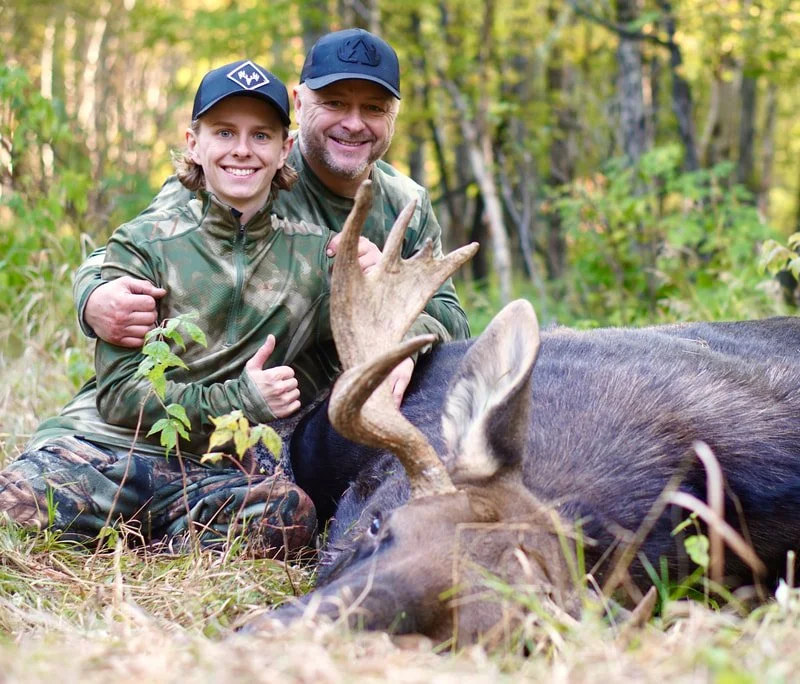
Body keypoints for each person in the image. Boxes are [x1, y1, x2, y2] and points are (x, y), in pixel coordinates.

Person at [0, 60, 342, 555]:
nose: (242, 150)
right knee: (15, 509)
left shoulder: (317, 256)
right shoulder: (145, 243)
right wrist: (243, 399)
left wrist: (372, 275)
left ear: (284, 149)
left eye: (260, 135)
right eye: (224, 132)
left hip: (217, 470)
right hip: (110, 448)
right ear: (193, 143)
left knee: (286, 521)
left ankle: (140, 543)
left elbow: (368, 339)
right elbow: (120, 396)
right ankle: (153, 540)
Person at [72, 28, 470, 409]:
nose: (353, 123)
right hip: (205, 399)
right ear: (299, 104)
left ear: (394, 117)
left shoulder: (406, 203)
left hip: (318, 407)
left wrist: (397, 327)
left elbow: (451, 318)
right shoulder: (248, 173)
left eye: (373, 108)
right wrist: (92, 298)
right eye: (334, 104)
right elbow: (130, 251)